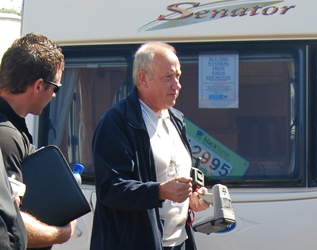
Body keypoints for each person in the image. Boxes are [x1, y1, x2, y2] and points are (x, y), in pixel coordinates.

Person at [90, 41, 210, 250]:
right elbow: (110, 189)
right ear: (143, 78)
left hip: (179, 242)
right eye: (168, 77)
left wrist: (193, 196)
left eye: (178, 76)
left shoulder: (176, 119)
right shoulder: (117, 122)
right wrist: (160, 192)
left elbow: (173, 175)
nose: (177, 85)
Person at [0, 33, 77, 249]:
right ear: (38, 85)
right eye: (56, 88)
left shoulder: (13, 127)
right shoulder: (6, 136)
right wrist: (60, 234)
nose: (54, 96)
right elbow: (9, 223)